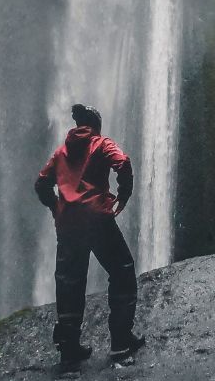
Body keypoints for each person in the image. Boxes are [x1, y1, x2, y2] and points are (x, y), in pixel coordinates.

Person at [34, 103, 145, 364]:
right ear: (95, 125)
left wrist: (55, 206)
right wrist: (123, 195)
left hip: (68, 226)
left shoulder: (60, 152)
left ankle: (69, 351)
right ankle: (120, 340)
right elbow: (123, 162)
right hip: (96, 220)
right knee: (122, 270)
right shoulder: (101, 143)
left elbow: (41, 184)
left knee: (69, 282)